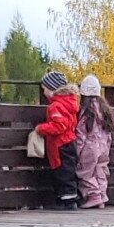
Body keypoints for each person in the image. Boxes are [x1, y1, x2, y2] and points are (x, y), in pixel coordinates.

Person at [35, 70, 79, 210]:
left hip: (60, 145)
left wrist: (41, 129)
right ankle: (66, 198)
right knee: (67, 171)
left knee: (62, 172)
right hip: (69, 142)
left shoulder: (56, 106)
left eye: (45, 89)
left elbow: (59, 126)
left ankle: (68, 200)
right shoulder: (69, 103)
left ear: (52, 89)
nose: (43, 92)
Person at [76, 74, 113, 209]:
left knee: (85, 172)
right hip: (103, 147)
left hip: (89, 148)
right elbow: (108, 134)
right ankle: (102, 195)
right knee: (100, 171)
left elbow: (81, 135)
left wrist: (78, 151)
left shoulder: (86, 113)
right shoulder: (105, 111)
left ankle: (94, 196)